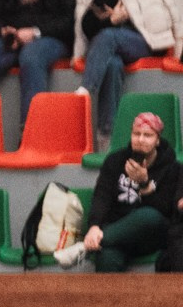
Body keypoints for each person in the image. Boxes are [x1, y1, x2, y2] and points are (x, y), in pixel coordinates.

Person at [74, 0, 178, 149]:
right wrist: (110, 20)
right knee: (111, 64)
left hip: (140, 41)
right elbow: (86, 25)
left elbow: (167, 9)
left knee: (109, 36)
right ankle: (106, 139)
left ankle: (84, 93)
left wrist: (129, 16)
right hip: (108, 46)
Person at [59, 112, 177, 271]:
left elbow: (165, 209)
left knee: (148, 215)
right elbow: (102, 196)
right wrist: (94, 226)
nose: (140, 140)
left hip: (151, 236)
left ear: (158, 140)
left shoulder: (172, 167)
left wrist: (144, 184)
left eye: (148, 135)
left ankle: (85, 248)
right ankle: (108, 295)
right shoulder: (115, 161)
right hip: (117, 233)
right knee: (107, 257)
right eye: (136, 134)